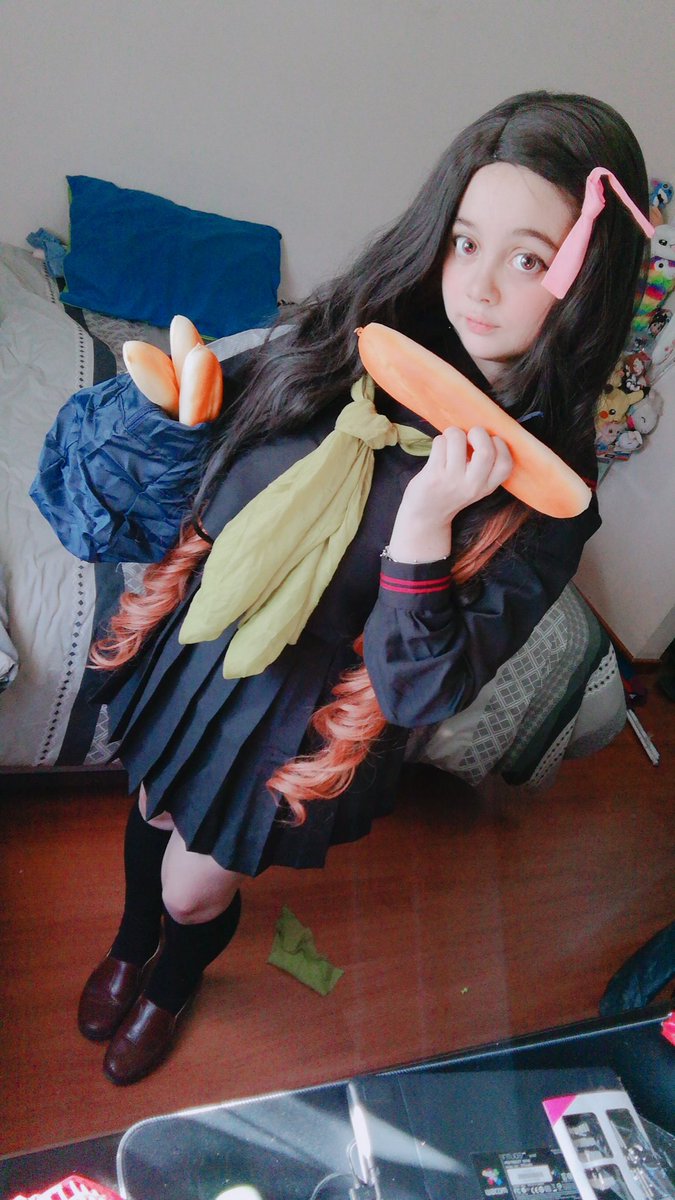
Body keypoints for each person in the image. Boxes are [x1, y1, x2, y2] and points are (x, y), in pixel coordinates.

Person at [32, 90, 652, 1086]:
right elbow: (193, 488)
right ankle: (127, 942)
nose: (478, 286)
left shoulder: (547, 502)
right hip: (207, 642)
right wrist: (172, 425)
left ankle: (171, 979)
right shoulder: (350, 339)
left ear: (585, 280)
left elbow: (423, 690)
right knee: (148, 807)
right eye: (465, 242)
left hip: (306, 715)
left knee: (195, 887)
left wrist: (425, 527)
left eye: (529, 259)